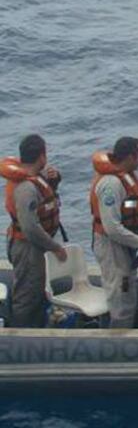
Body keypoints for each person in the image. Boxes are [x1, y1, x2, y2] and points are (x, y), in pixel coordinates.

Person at [89, 137, 138, 328]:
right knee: (120, 294)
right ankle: (117, 342)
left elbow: (135, 209)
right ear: (131, 156)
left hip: (126, 244)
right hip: (111, 246)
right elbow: (112, 228)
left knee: (127, 290)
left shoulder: (128, 178)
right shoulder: (111, 184)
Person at [1, 135, 66, 327]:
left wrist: (54, 183)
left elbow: (44, 202)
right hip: (28, 248)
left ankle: (37, 327)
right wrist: (55, 247)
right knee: (26, 296)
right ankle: (21, 337)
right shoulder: (26, 188)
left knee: (37, 291)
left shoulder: (37, 178)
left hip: (36, 246)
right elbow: (30, 228)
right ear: (41, 156)